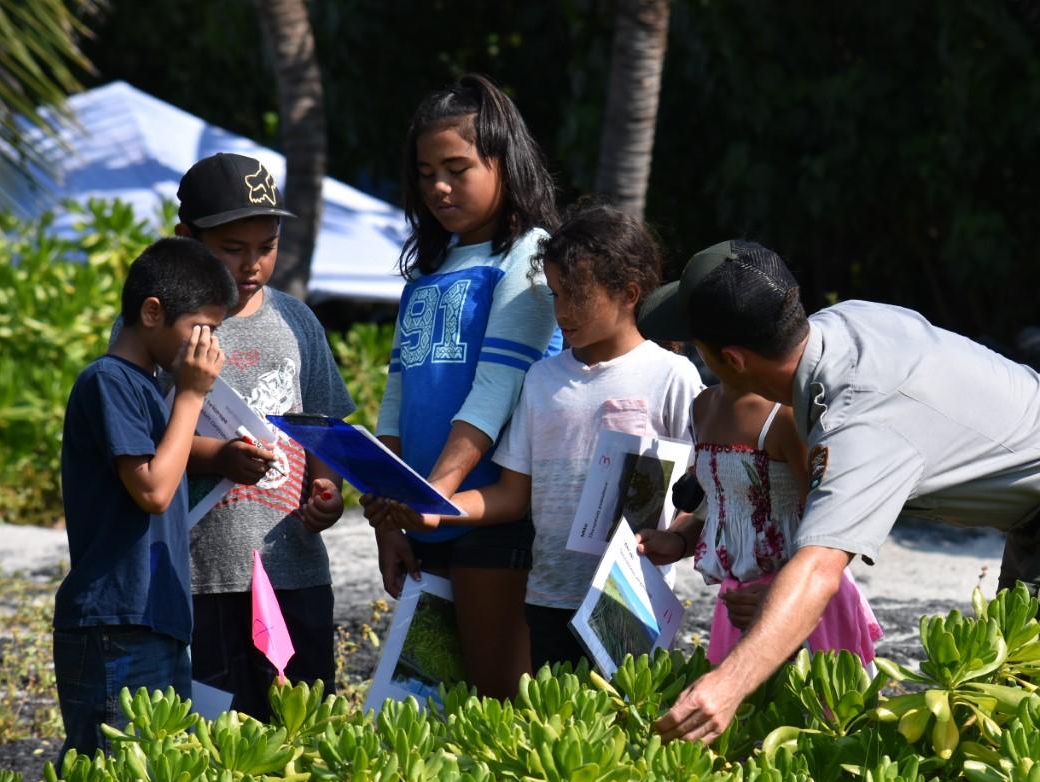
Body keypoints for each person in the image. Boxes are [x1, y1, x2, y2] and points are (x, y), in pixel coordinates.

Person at [637, 240, 1040, 742]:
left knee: (1032, 726)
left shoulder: (860, 420)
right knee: (993, 703)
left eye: (697, 345)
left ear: (730, 359)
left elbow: (820, 566)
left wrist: (726, 688)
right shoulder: (843, 324)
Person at [367, 203, 702, 672]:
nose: (562, 312)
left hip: (630, 599)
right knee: (554, 727)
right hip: (546, 597)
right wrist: (435, 512)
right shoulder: (541, 380)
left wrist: (681, 537)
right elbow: (511, 494)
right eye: (556, 295)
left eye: (576, 297)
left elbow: (706, 485)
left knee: (628, 729)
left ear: (629, 293)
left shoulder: (672, 376)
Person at [363, 74, 561, 699]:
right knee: (436, 710)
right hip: (423, 514)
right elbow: (396, 396)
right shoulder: (427, 267)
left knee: (500, 702)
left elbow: (495, 392)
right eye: (425, 173)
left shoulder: (531, 256)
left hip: (490, 516)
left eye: (457, 168)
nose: (439, 188)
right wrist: (390, 521)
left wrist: (432, 494)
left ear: (503, 162)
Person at [172, 152, 354, 721]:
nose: (252, 265)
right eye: (232, 248)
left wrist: (327, 493)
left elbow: (326, 427)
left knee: (303, 729)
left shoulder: (296, 321)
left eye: (267, 246)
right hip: (203, 579)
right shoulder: (162, 325)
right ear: (187, 239)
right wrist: (218, 457)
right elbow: (143, 446)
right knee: (217, 740)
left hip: (293, 570)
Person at [55, 238, 235, 760]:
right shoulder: (109, 381)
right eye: (202, 329)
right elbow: (154, 489)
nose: (209, 348)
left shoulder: (148, 388)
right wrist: (192, 394)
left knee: (154, 781)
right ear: (152, 312)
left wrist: (223, 455)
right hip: (116, 623)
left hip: (152, 617)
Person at [636, 384, 881, 666]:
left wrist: (783, 594)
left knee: (820, 702)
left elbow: (831, 525)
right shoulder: (702, 406)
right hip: (738, 604)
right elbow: (724, 510)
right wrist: (678, 541)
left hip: (805, 601)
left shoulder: (789, 413)